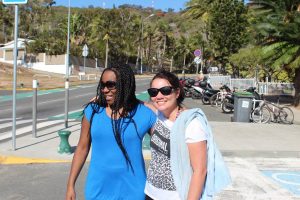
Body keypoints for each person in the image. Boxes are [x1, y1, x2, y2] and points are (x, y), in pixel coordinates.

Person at [65, 64, 157, 200]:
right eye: (102, 85)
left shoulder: (145, 114)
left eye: (110, 85)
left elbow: (165, 149)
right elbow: (82, 148)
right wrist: (70, 185)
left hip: (133, 191)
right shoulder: (93, 111)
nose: (105, 90)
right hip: (97, 190)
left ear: (125, 85)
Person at [145, 70, 231, 200]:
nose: (159, 96)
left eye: (166, 90)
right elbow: (131, 101)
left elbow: (200, 171)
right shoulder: (155, 115)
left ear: (177, 92)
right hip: (151, 193)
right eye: (153, 92)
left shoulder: (191, 124)